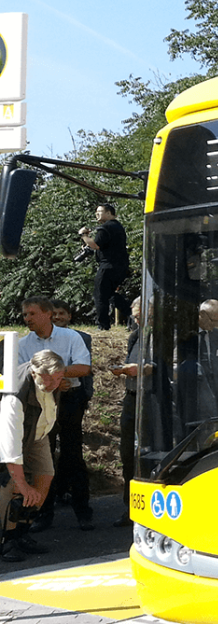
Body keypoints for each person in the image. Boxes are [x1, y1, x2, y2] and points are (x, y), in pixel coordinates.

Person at [33, 299, 95, 532]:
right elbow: (24, 372)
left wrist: (54, 377)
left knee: (73, 455)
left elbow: (84, 367)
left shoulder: (73, 338)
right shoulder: (27, 342)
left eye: (32, 314)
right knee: (42, 458)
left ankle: (83, 512)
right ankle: (42, 513)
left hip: (70, 401)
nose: (27, 319)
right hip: (40, 402)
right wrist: (56, 379)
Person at [1, 351, 67, 562]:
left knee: (45, 476)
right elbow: (11, 449)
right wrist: (22, 484)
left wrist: (30, 488)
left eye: (58, 378)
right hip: (9, 439)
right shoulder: (15, 397)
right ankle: (6, 541)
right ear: (34, 371)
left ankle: (22, 533)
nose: (55, 384)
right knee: (9, 488)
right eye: (49, 379)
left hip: (37, 433)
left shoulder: (52, 380)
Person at [112, 297, 152, 527]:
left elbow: (165, 368)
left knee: (148, 452)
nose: (137, 321)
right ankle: (130, 506)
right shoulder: (134, 336)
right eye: (135, 317)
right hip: (132, 398)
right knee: (127, 452)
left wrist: (142, 370)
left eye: (142, 317)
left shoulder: (165, 337)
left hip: (153, 399)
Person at [77, 203, 131, 330]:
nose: (97, 214)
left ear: (109, 213)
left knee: (100, 295)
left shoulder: (106, 227)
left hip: (108, 266)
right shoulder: (117, 226)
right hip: (120, 266)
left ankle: (103, 325)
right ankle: (132, 313)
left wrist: (83, 235)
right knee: (110, 294)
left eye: (100, 211)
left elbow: (95, 245)